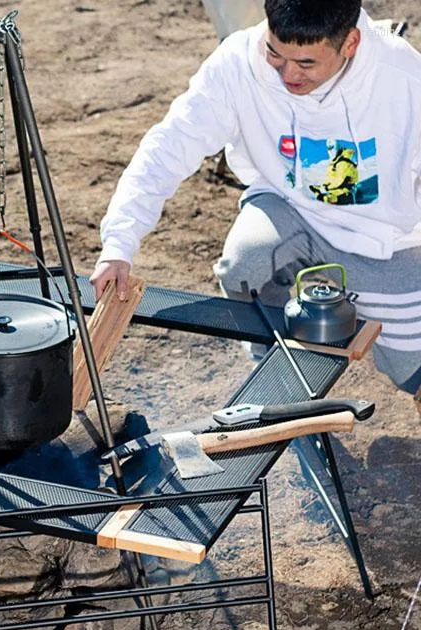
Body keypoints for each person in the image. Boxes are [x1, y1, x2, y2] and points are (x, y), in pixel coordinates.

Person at [91, 0, 421, 408]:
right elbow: (167, 148)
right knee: (245, 263)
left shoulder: (403, 78)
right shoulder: (237, 64)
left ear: (350, 42)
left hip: (382, 237)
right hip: (287, 208)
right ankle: (277, 385)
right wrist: (120, 243)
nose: (287, 75)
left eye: (305, 63)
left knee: (416, 370)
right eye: (275, 53)